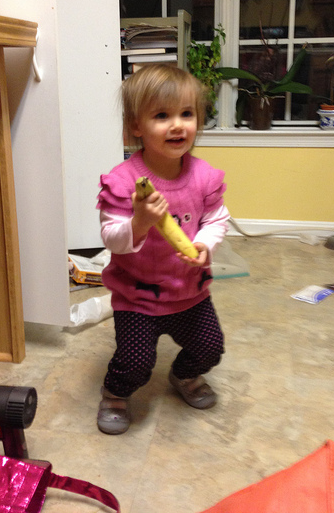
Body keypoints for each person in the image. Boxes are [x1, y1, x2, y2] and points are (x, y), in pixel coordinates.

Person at [96, 63, 230, 435]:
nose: (177, 125)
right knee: (135, 362)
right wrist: (139, 222)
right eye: (161, 116)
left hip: (190, 291)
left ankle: (183, 375)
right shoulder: (124, 182)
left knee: (210, 348)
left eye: (187, 114)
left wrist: (204, 243)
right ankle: (115, 393)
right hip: (137, 296)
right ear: (136, 126)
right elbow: (111, 236)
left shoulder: (204, 177)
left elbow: (217, 219)